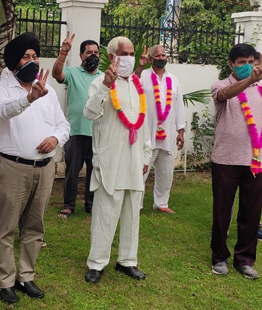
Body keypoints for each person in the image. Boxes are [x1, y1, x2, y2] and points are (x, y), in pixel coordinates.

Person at [0, 33, 70, 304]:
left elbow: (63, 125)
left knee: (35, 226)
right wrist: (29, 99)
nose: (32, 61)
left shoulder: (48, 90)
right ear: (14, 62)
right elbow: (3, 111)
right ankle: (5, 281)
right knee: (7, 227)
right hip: (13, 168)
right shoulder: (0, 89)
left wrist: (55, 139)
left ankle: (26, 276)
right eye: (26, 57)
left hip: (44, 169)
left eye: (35, 56)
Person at [83, 36, 152, 284]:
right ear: (113, 57)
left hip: (135, 160)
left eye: (133, 53)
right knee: (106, 212)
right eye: (126, 53)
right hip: (111, 159)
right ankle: (97, 263)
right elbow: (89, 113)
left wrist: (146, 154)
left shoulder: (137, 84)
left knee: (133, 212)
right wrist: (104, 85)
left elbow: (143, 122)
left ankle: (127, 261)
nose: (131, 58)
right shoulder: (99, 82)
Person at [209, 43, 262, 280]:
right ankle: (219, 257)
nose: (248, 67)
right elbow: (226, 95)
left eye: (251, 61)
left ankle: (245, 260)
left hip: (256, 162)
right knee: (222, 211)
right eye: (242, 63)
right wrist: (249, 80)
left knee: (251, 213)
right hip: (226, 160)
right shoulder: (221, 85)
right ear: (231, 65)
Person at [52, 33, 102, 218]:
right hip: (76, 131)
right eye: (89, 52)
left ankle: (91, 205)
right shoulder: (72, 73)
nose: (93, 56)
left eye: (96, 52)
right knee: (72, 171)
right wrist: (63, 53)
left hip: (97, 132)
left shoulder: (104, 77)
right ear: (81, 55)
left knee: (94, 170)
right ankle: (68, 205)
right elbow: (57, 74)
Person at [140, 45, 186, 214]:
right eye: (157, 55)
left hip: (168, 135)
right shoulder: (143, 76)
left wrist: (180, 130)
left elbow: (179, 105)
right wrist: (139, 66)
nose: (161, 58)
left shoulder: (173, 79)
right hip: (147, 133)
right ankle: (135, 204)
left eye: (163, 55)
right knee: (141, 171)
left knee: (166, 173)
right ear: (151, 59)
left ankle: (161, 203)